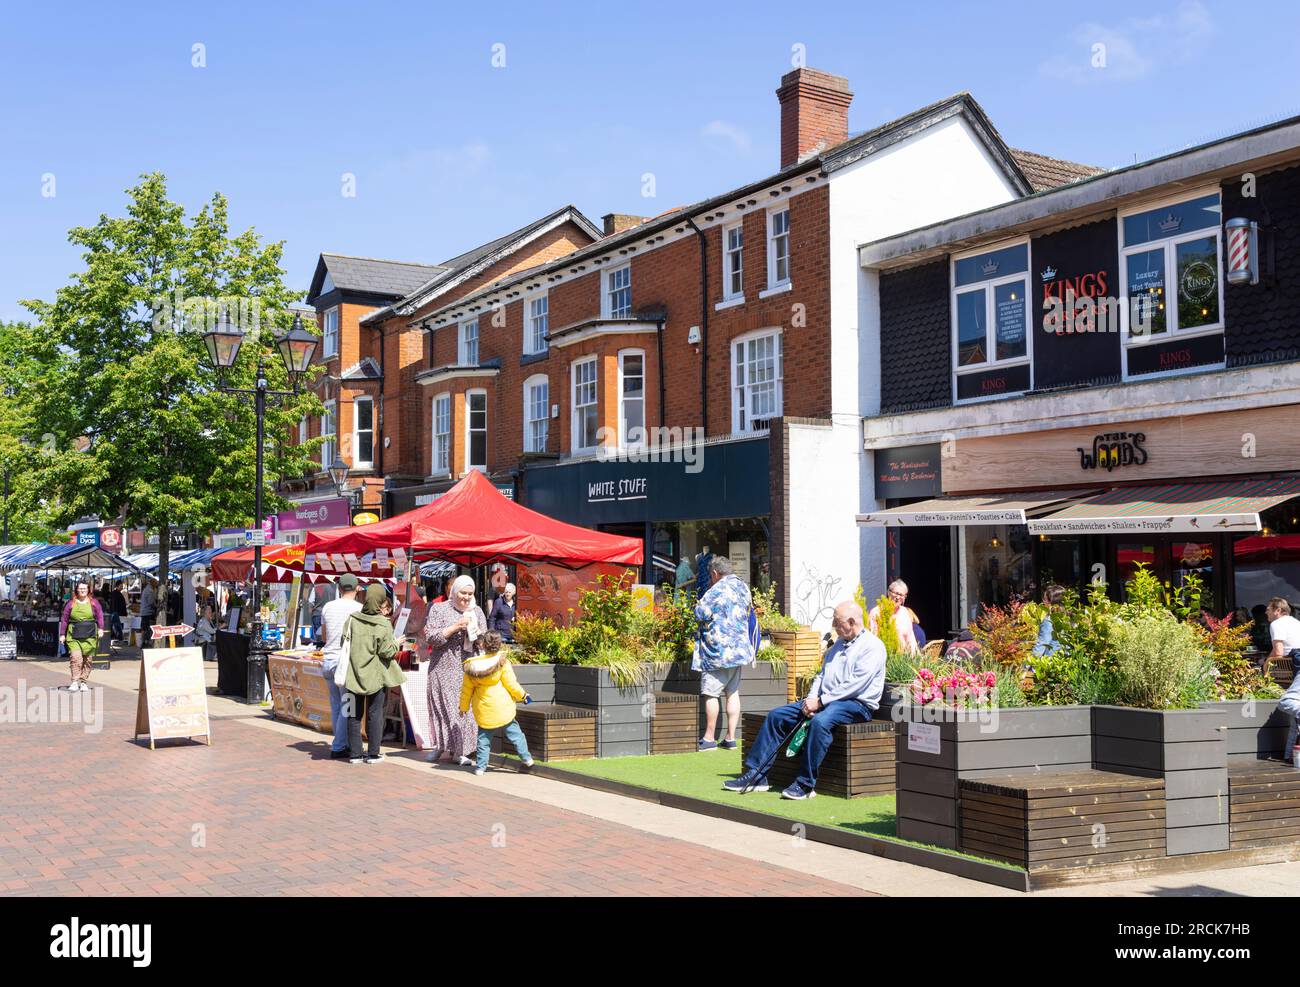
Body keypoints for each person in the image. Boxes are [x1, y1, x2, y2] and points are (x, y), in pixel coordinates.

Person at [725, 600, 885, 800]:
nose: (834, 626)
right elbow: (821, 675)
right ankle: (756, 775)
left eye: (837, 622)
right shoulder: (838, 644)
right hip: (827, 701)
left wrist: (820, 702)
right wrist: (811, 699)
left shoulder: (873, 647)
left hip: (856, 705)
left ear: (852, 622)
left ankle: (805, 784)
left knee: (820, 721)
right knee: (776, 716)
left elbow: (855, 686)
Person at [422, 574, 487, 766]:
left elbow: (483, 642)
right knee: (444, 709)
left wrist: (476, 633)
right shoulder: (439, 609)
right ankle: (441, 746)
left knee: (463, 711)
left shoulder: (477, 611)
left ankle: (460, 750)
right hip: (442, 667)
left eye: (470, 593)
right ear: (453, 591)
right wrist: (455, 627)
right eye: (463, 593)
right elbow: (431, 637)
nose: (466, 597)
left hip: (466, 668)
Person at [343, 583, 409, 764]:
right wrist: (396, 643)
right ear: (380, 601)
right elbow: (387, 651)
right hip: (376, 676)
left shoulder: (352, 619)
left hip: (352, 674)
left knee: (352, 714)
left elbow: (344, 642)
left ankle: (355, 754)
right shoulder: (383, 623)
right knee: (375, 714)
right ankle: (373, 753)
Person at [694, 556, 755, 752]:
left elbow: (700, 613)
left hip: (717, 651)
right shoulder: (743, 587)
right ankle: (730, 738)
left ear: (714, 573)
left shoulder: (715, 590)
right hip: (739, 651)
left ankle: (709, 738)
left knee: (711, 693)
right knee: (732, 692)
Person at [460, 630, 533, 776]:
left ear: (482, 645)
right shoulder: (502, 662)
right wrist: (524, 696)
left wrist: (463, 707)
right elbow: (511, 684)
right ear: (499, 645)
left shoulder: (472, 666)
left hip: (483, 709)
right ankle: (527, 758)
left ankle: (480, 767)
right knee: (516, 735)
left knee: (483, 740)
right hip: (502, 707)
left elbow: (466, 690)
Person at [319, 575, 364, 760]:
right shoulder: (359, 609)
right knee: (347, 706)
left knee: (337, 705)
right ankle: (338, 746)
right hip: (345, 662)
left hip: (328, 659)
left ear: (339, 588)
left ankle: (341, 742)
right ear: (357, 588)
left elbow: (323, 636)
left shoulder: (328, 607)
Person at [59, 581, 104, 693]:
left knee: (88, 660)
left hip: (90, 635)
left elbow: (100, 616)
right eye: (80, 589)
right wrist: (62, 634)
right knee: (76, 658)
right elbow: (64, 619)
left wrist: (101, 628)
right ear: (77, 590)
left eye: (84, 588)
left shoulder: (94, 603)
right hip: (74, 635)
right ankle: (74, 681)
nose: (82, 590)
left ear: (88, 590)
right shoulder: (71, 603)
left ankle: (84, 682)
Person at [868, 580, 920, 654]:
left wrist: (916, 657)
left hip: (902, 659)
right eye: (896, 593)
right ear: (889, 592)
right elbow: (873, 638)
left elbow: (910, 637)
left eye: (902, 595)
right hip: (885, 656)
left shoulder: (905, 612)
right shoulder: (876, 612)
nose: (898, 597)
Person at [1032, 584, 1067, 658]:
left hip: (1052, 663)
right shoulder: (1070, 618)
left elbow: (1041, 645)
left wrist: (1026, 667)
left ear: (1050, 602)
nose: (1043, 602)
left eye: (1044, 599)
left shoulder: (1049, 621)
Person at [1266, 597, 1300, 663]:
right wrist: (1266, 660)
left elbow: (1278, 653)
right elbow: (1276, 649)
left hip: (1290, 666)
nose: (1266, 612)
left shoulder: (1276, 624)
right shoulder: (1297, 622)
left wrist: (1264, 664)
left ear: (1278, 610)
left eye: (1268, 610)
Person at [139, 577, 157, 647]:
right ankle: (144, 642)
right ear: (153, 583)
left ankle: (143, 642)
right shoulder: (150, 591)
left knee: (144, 627)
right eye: (156, 583)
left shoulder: (146, 589)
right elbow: (151, 602)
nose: (156, 585)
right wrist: (157, 605)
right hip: (147, 612)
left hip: (144, 611)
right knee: (146, 628)